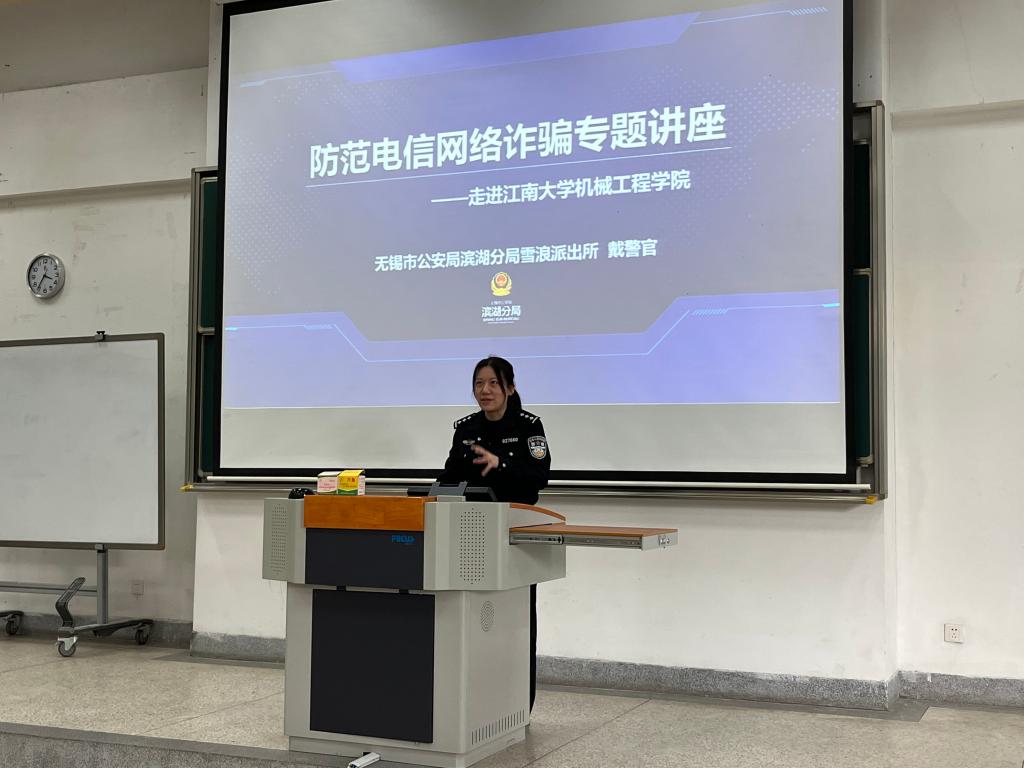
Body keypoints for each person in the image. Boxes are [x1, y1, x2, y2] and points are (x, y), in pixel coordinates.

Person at [437, 356, 550, 709]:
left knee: (515, 623)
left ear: (510, 388)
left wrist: (500, 464)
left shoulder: (529, 426)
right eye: (478, 383)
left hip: (515, 535)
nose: (485, 390)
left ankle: (518, 705)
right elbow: (449, 478)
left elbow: (539, 477)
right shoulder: (466, 429)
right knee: (472, 620)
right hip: (470, 535)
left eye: (493, 383)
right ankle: (477, 703)